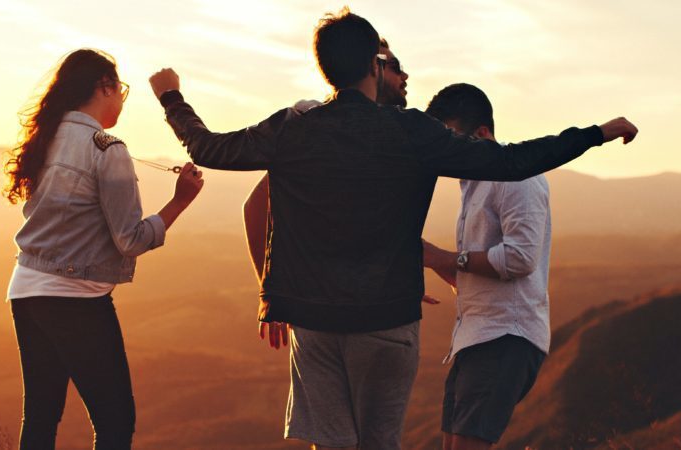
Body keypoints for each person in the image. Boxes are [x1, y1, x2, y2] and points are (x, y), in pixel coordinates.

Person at [149, 8, 638, 449]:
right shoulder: (413, 132)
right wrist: (595, 134)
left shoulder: (293, 128)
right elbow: (513, 161)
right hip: (386, 319)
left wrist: (172, 98)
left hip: (313, 321)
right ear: (374, 66)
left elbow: (209, 149)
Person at [2, 48, 204, 450]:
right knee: (115, 422)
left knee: (41, 416)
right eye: (121, 90)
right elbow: (129, 240)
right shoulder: (107, 149)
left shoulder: (46, 138)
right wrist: (180, 201)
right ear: (104, 87)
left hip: (25, 290)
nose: (121, 100)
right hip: (76, 299)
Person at [243, 37, 427, 350]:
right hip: (322, 319)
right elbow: (256, 207)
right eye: (396, 67)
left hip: (359, 316)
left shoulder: (389, 136)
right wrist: (271, 293)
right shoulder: (313, 122)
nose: (405, 76)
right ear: (373, 68)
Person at [421, 83, 551, 450]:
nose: (445, 152)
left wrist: (444, 258)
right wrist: (435, 262)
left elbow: (520, 258)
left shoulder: (517, 177)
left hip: (505, 337)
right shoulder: (473, 185)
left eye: (451, 139)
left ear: (481, 134)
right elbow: (480, 274)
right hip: (475, 337)